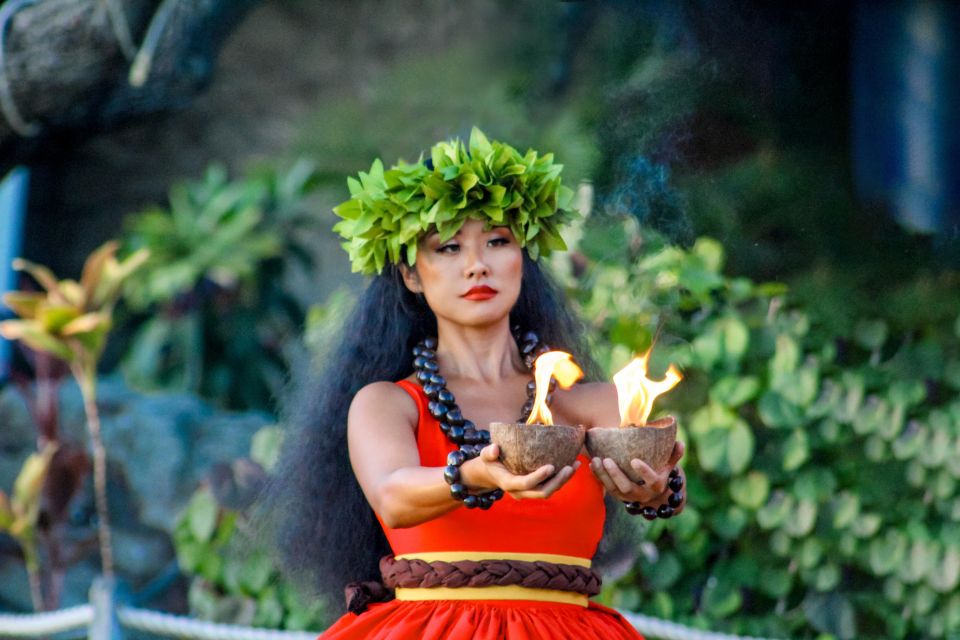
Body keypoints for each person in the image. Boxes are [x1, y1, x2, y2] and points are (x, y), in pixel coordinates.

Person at [270, 129, 686, 639]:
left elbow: (651, 480)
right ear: (412, 275)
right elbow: (393, 496)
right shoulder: (386, 404)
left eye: (497, 241)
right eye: (447, 247)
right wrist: (477, 475)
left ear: (521, 258)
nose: (476, 265)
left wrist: (657, 487)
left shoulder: (595, 405)